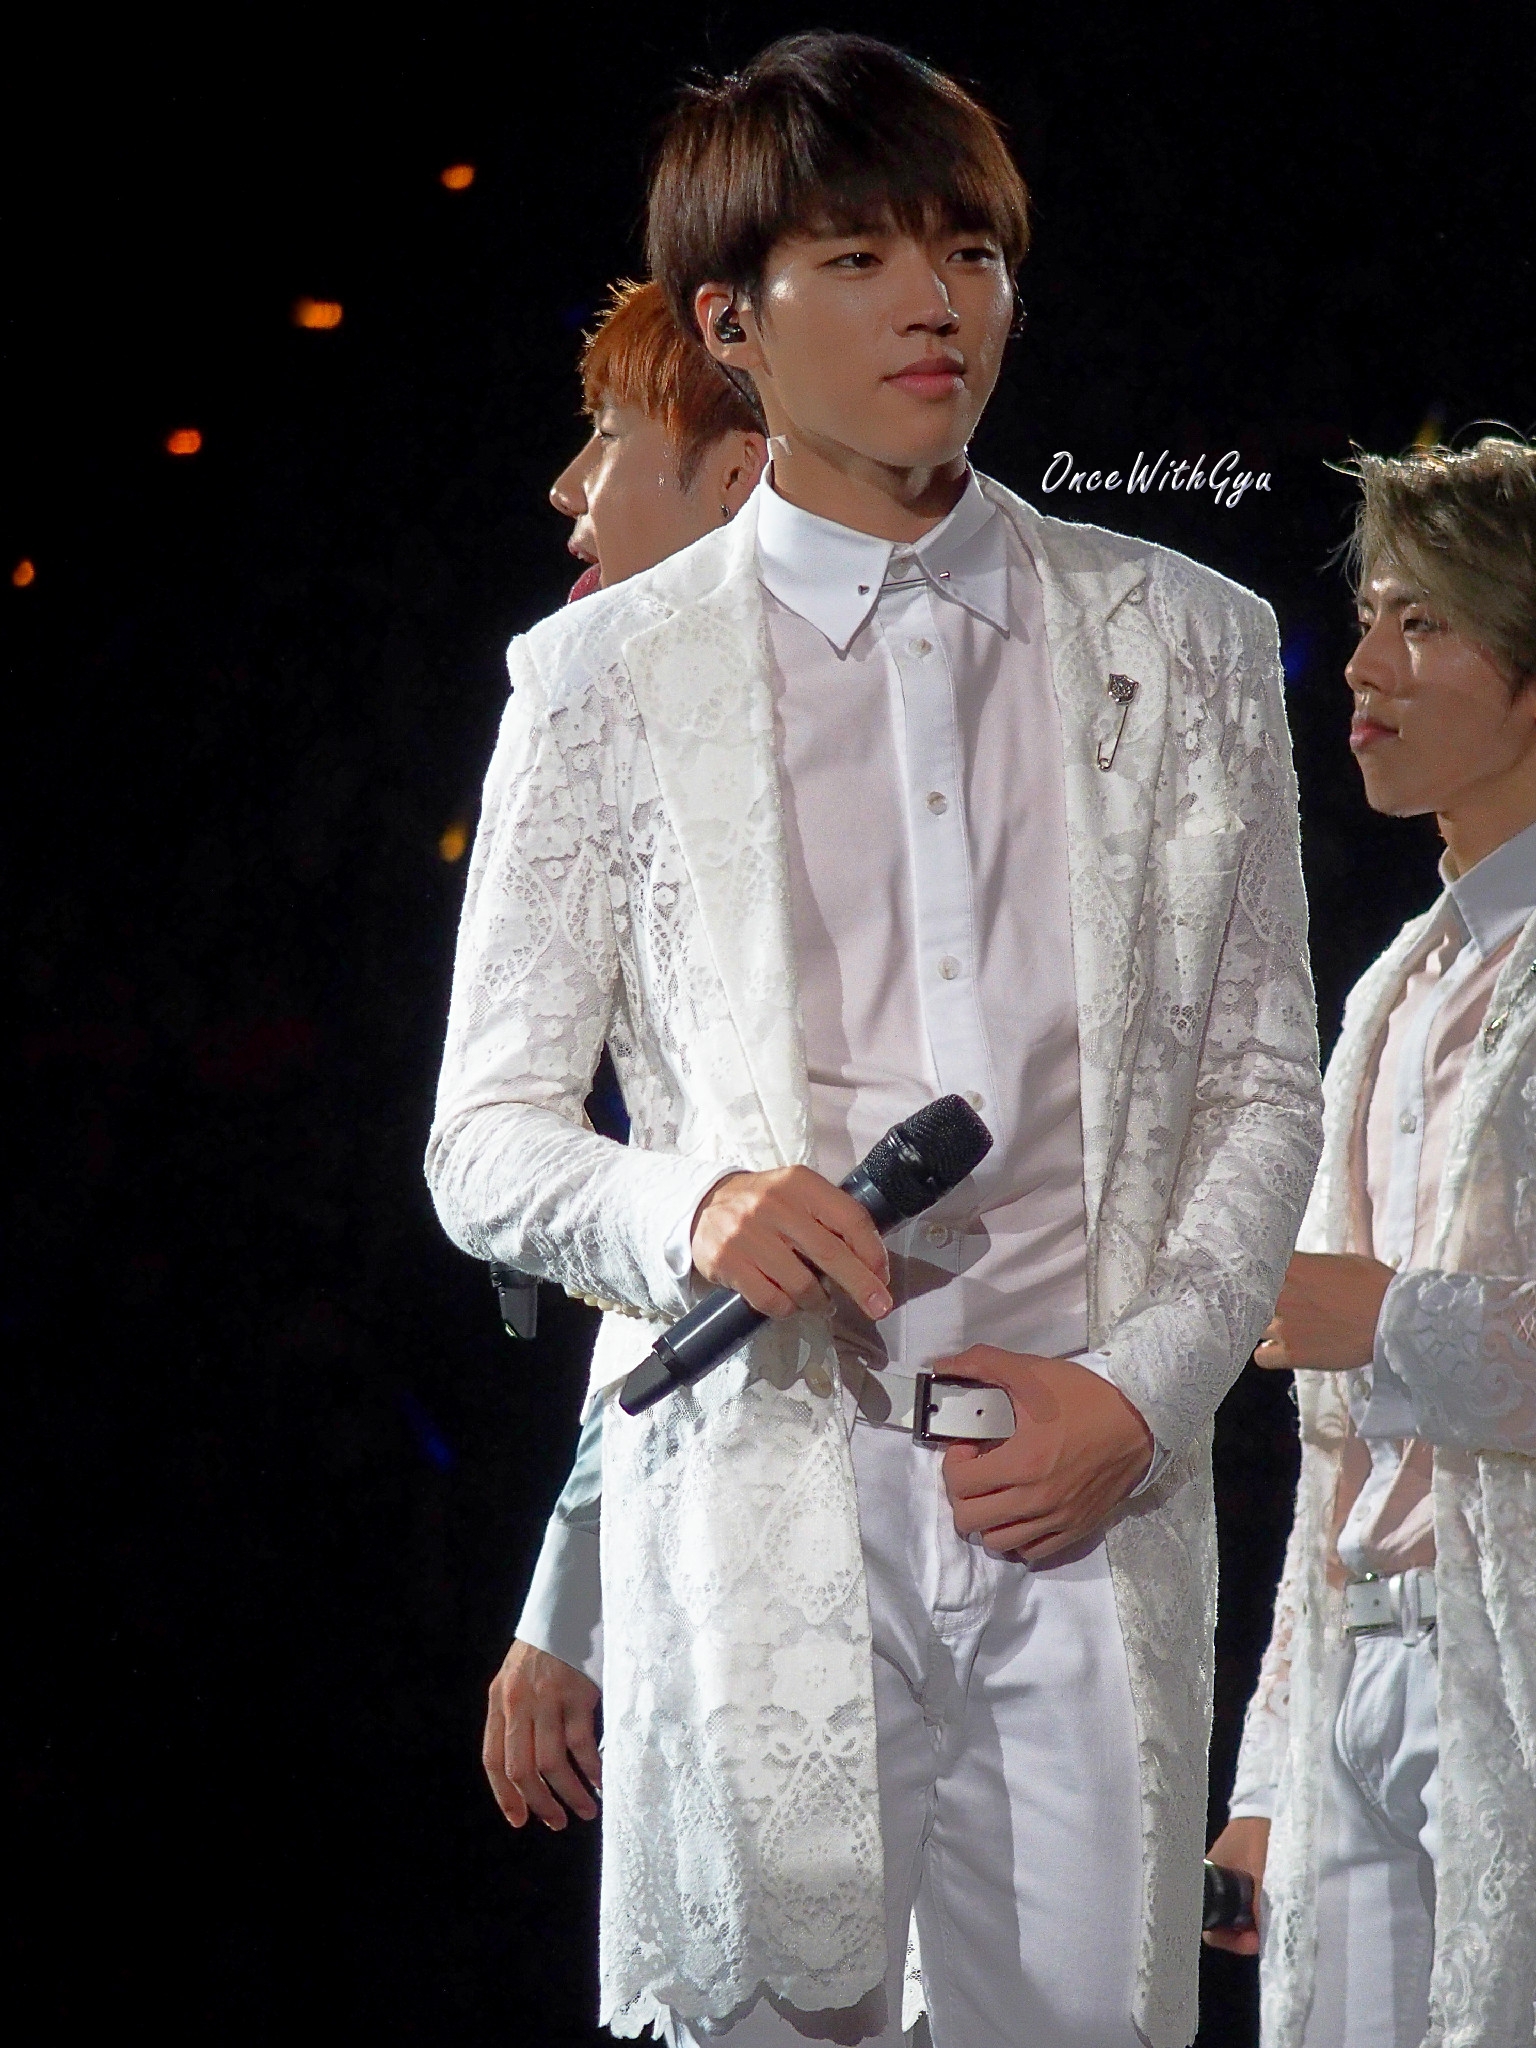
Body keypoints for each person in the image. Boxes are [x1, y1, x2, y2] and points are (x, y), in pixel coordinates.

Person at [428, 32, 1322, 2048]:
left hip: (1087, 1503)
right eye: (861, 257)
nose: (938, 302)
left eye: (971, 251)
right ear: (730, 325)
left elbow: (1266, 1081)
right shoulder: (598, 680)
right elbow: (483, 1136)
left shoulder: (1183, 638)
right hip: (765, 1505)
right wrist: (693, 1206)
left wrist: (1144, 1395)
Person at [1206, 435, 1536, 2046]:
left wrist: (1392, 1320)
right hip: (1362, 1666)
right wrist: (1271, 1772)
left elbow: (1363, 1332)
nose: (1365, 665)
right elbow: (1332, 1451)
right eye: (1366, 621)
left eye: (1425, 623)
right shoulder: (1397, 988)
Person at [480, 278, 767, 1835]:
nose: (566, 486)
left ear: (735, 475)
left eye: (607, 434)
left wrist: (567, 1586)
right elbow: (675, 1208)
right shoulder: (611, 720)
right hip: (689, 1476)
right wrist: (569, 1578)